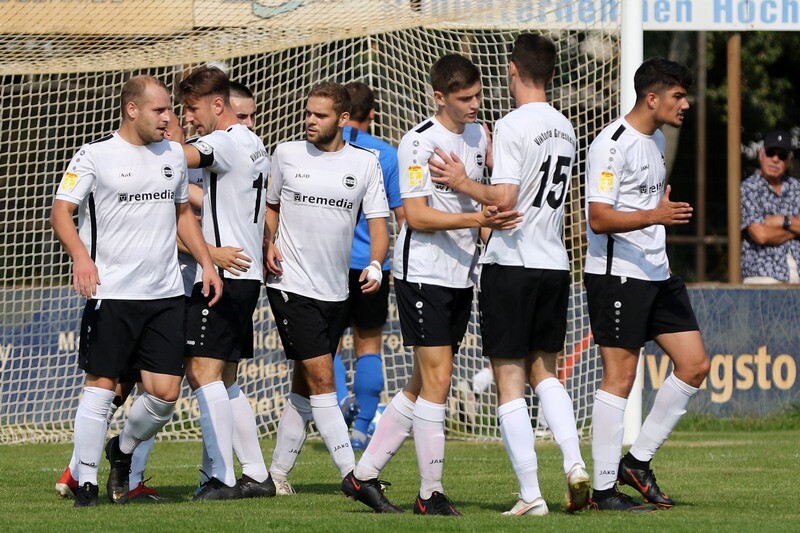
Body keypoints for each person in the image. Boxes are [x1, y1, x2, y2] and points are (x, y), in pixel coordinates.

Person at [340, 54, 521, 515]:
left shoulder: (480, 135)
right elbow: (417, 216)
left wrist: (486, 227)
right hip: (423, 274)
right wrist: (477, 218)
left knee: (422, 383)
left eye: (478, 95)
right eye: (465, 98)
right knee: (439, 379)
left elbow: (483, 202)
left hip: (461, 274)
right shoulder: (418, 142)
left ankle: (362, 476)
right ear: (440, 97)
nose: (475, 104)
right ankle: (430, 493)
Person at [426, 34, 590, 516]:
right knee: (547, 373)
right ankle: (575, 464)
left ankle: (531, 495)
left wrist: (462, 182)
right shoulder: (565, 126)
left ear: (512, 69)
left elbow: (505, 199)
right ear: (552, 74)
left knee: (510, 381)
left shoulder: (513, 123)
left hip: (512, 263)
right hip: (554, 263)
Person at [49, 75, 222, 507]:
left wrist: (207, 262)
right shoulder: (94, 155)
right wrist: (81, 257)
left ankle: (122, 450)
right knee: (102, 386)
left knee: (165, 394)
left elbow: (183, 214)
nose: (168, 117)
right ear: (132, 109)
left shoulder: (173, 155)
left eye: (169, 109)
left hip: (165, 295)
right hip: (112, 293)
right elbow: (61, 212)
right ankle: (86, 483)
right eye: (159, 110)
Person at [583, 58, 710, 512]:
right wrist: (654, 215)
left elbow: (643, 208)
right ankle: (602, 491)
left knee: (694, 365)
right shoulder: (611, 145)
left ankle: (636, 463)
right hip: (618, 275)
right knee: (620, 377)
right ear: (652, 98)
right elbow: (599, 219)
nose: (685, 104)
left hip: (658, 272)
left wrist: (656, 214)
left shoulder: (656, 139)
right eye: (678, 96)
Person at [263, 82, 390, 497]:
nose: (310, 121)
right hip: (289, 284)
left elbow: (380, 226)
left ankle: (276, 475)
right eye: (308, 113)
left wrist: (375, 263)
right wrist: (268, 241)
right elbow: (270, 207)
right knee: (322, 378)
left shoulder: (366, 163)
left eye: (320, 115)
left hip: (337, 291)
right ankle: (356, 477)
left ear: (343, 119)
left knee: (304, 385)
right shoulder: (286, 153)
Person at [178, 67, 273, 501]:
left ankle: (221, 478)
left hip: (223, 274)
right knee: (227, 380)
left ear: (218, 105)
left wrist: (159, 133)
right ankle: (256, 473)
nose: (188, 117)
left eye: (191, 109)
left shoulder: (222, 142)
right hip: (244, 274)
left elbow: (178, 157)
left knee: (201, 373)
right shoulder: (252, 141)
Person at [332, 81, 405, 450]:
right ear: (372, 113)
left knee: (325, 343)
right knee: (369, 345)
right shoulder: (387, 154)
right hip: (372, 263)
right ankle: (362, 427)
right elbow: (401, 216)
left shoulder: (327, 147)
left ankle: (340, 401)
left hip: (328, 260)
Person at [741, 130, 800, 283]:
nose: (775, 159)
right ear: (761, 154)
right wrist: (794, 227)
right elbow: (761, 235)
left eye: (782, 156)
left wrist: (782, 221)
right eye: (771, 153)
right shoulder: (747, 189)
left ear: (789, 160)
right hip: (763, 275)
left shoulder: (797, 188)